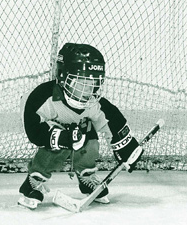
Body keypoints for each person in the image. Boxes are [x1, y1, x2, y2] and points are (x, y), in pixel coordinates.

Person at [18, 42, 143, 209]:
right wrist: (63, 138)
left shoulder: (94, 103)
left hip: (78, 130)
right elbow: (34, 133)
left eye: (92, 83)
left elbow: (112, 121)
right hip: (54, 129)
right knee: (56, 141)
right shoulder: (41, 99)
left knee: (88, 130)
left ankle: (86, 177)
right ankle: (34, 181)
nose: (88, 90)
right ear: (63, 77)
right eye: (82, 82)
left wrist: (126, 147)